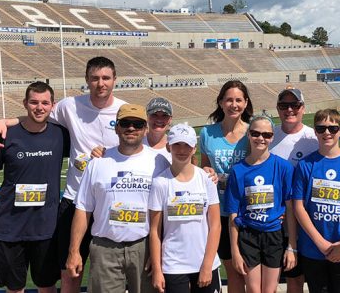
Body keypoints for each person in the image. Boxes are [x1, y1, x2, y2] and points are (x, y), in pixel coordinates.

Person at [0, 57, 126, 292]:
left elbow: (140, 146)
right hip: (75, 201)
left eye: (105, 78)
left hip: (111, 202)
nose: (100, 83)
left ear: (115, 80)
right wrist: (5, 121)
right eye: (95, 78)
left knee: (111, 274)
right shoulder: (69, 106)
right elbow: (37, 116)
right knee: (70, 273)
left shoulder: (125, 111)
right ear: (87, 80)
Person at [66, 104, 170, 292]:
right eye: (125, 123)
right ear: (116, 127)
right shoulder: (97, 163)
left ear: (145, 129)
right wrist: (74, 251)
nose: (131, 128)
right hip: (105, 248)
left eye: (137, 124)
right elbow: (83, 210)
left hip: (144, 248)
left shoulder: (159, 162)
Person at [0, 82, 69, 293]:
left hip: (47, 230)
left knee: (47, 287)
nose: (39, 107)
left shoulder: (61, 135)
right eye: (34, 102)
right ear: (25, 104)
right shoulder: (5, 136)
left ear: (52, 105)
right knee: (14, 289)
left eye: (45, 103)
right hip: (10, 229)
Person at [292, 109, 340, 293]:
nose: (327, 133)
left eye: (332, 128)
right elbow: (299, 207)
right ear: (315, 131)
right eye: (321, 128)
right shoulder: (305, 165)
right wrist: (320, 243)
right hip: (313, 249)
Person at [225, 116, 297, 293]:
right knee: (253, 289)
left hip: (274, 235)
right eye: (256, 133)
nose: (261, 138)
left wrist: (292, 247)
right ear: (249, 135)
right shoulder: (238, 170)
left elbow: (290, 208)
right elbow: (233, 214)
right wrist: (234, 250)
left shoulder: (283, 167)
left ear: (272, 137)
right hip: (248, 235)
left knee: (269, 289)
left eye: (266, 134)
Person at [148, 123, 222, 293]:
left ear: (194, 147)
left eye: (187, 145)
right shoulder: (160, 183)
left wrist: (207, 265)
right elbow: (155, 231)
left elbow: (215, 225)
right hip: (173, 265)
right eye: (177, 145)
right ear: (168, 146)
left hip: (205, 263)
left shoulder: (206, 179)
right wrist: (158, 271)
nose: (182, 150)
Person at [200, 80, 252, 292]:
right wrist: (207, 172)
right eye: (229, 99)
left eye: (238, 100)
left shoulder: (253, 132)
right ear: (220, 102)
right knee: (232, 271)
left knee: (250, 271)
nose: (234, 104)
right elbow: (203, 167)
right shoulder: (207, 133)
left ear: (246, 103)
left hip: (247, 211)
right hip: (217, 212)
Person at [270, 87, 318, 292]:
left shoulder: (313, 138)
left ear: (303, 108)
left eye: (295, 105)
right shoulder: (268, 136)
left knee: (314, 276)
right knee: (292, 277)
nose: (289, 109)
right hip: (276, 219)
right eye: (283, 105)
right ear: (278, 109)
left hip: (309, 217)